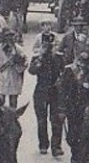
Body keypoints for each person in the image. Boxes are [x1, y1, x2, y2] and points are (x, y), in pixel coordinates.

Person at [28, 22, 65, 156]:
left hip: (55, 90)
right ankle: (43, 144)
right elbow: (31, 71)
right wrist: (41, 56)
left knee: (56, 120)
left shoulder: (58, 58)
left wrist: (60, 81)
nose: (49, 46)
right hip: (41, 90)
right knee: (41, 120)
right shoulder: (38, 57)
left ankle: (56, 146)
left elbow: (63, 72)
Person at [56, 53, 89, 163]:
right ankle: (75, 153)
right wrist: (62, 109)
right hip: (72, 108)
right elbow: (62, 90)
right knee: (73, 135)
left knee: (84, 136)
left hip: (86, 108)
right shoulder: (69, 71)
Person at [0, 28, 28, 109]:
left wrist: (16, 64)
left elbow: (25, 64)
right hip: (2, 78)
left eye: (11, 36)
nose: (9, 38)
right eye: (7, 36)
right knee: (0, 101)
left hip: (14, 78)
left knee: (13, 102)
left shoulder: (18, 49)